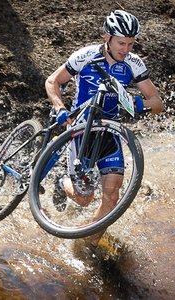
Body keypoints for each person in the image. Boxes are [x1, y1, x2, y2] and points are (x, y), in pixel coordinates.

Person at [44, 9, 164, 246]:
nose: (126, 49)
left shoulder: (133, 64)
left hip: (110, 132)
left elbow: (157, 102)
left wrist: (138, 104)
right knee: (84, 198)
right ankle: (61, 182)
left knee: (112, 195)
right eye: (121, 43)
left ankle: (89, 244)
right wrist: (59, 108)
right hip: (82, 130)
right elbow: (53, 81)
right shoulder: (86, 56)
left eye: (130, 44)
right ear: (107, 37)